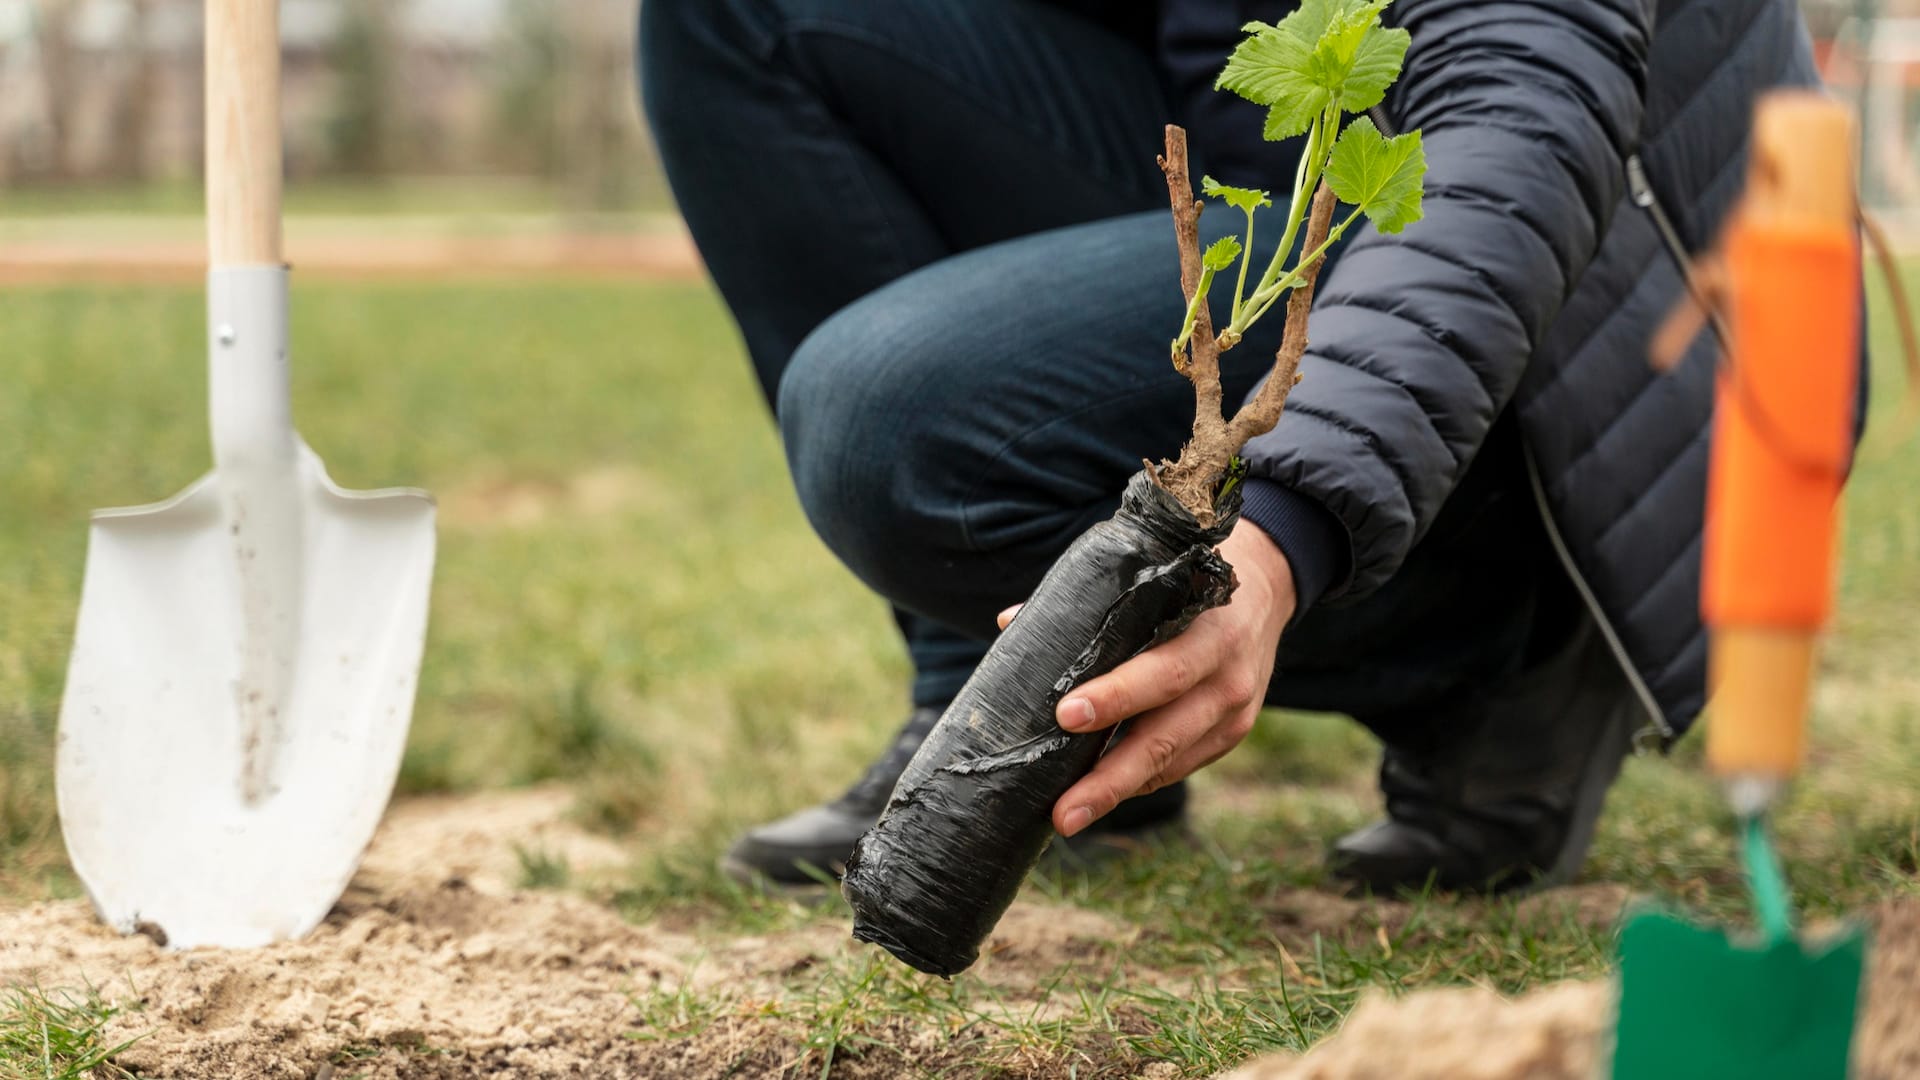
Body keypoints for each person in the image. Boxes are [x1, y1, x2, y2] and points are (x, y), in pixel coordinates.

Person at [638, 0, 1847, 893]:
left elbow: (1514, 129)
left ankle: (1511, 655)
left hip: (1582, 336)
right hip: (1272, 186)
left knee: (892, 421)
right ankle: (1022, 711)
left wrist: (1278, 538)